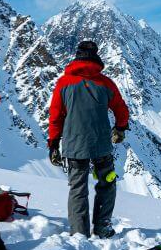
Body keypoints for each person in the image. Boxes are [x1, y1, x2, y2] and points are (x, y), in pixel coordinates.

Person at [47, 40, 130, 238]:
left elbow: (56, 116)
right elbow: (121, 108)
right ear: (96, 56)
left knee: (77, 188)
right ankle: (102, 227)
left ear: (77, 56)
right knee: (107, 182)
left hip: (74, 144)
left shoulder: (64, 83)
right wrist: (119, 128)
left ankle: (79, 234)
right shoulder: (106, 83)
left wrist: (53, 144)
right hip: (101, 143)